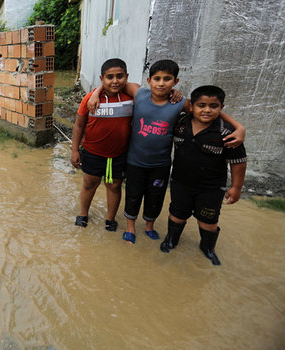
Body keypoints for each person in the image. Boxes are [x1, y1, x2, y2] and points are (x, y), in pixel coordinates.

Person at [87, 59, 245, 244]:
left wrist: (238, 126)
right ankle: (130, 227)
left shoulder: (179, 104)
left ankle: (149, 226)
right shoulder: (139, 93)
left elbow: (205, 107)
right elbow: (113, 83)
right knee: (133, 194)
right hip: (135, 161)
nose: (161, 83)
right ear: (149, 80)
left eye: (167, 79)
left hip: (160, 163)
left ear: (175, 81)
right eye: (157, 79)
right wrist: (95, 94)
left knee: (155, 196)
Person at [160, 86, 247, 265]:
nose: (207, 110)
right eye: (201, 105)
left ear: (221, 107)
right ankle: (171, 239)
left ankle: (207, 248)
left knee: (208, 220)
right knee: (177, 213)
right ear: (192, 106)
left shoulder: (227, 132)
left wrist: (236, 187)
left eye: (213, 106)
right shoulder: (181, 122)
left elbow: (238, 161)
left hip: (211, 187)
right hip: (180, 182)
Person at [71, 58, 134, 231]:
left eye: (119, 76)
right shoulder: (90, 99)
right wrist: (75, 150)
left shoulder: (131, 98)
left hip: (119, 154)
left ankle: (110, 219)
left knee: (114, 186)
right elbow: (79, 125)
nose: (115, 81)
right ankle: (83, 214)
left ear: (126, 77)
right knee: (89, 183)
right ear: (102, 78)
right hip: (92, 152)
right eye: (110, 77)